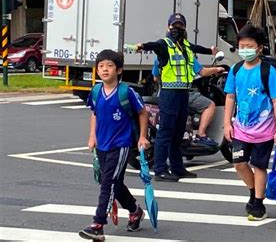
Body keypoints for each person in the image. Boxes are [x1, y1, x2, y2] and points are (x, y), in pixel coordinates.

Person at [132, 13, 224, 182]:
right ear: (168, 27)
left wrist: (210, 51)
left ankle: (177, 167)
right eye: (174, 26)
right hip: (169, 93)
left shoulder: (186, 47)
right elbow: (153, 45)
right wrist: (141, 46)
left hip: (184, 93)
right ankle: (160, 169)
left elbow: (198, 49)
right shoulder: (164, 45)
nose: (177, 29)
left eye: (180, 26)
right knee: (165, 132)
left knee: (178, 133)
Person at [79, 50, 150, 240]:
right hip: (101, 144)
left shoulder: (126, 92)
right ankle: (135, 211)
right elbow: (94, 113)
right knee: (113, 183)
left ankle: (98, 223)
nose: (104, 69)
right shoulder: (96, 91)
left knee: (108, 183)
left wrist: (142, 137)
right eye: (101, 66)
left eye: (109, 66)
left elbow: (143, 113)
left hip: (120, 145)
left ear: (119, 70)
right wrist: (92, 136)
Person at [223, 24, 276, 221]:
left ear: (259, 48)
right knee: (239, 163)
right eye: (242, 46)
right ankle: (254, 192)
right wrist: (227, 124)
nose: (245, 50)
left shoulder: (268, 71)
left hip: (265, 131)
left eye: (249, 46)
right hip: (241, 129)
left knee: (259, 166)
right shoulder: (236, 69)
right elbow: (230, 97)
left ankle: (258, 203)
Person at [152, 57, 220, 146]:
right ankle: (201, 135)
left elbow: (155, 78)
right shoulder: (186, 54)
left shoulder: (159, 57)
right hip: (183, 93)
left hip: (164, 95)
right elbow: (203, 72)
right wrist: (218, 69)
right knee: (209, 105)